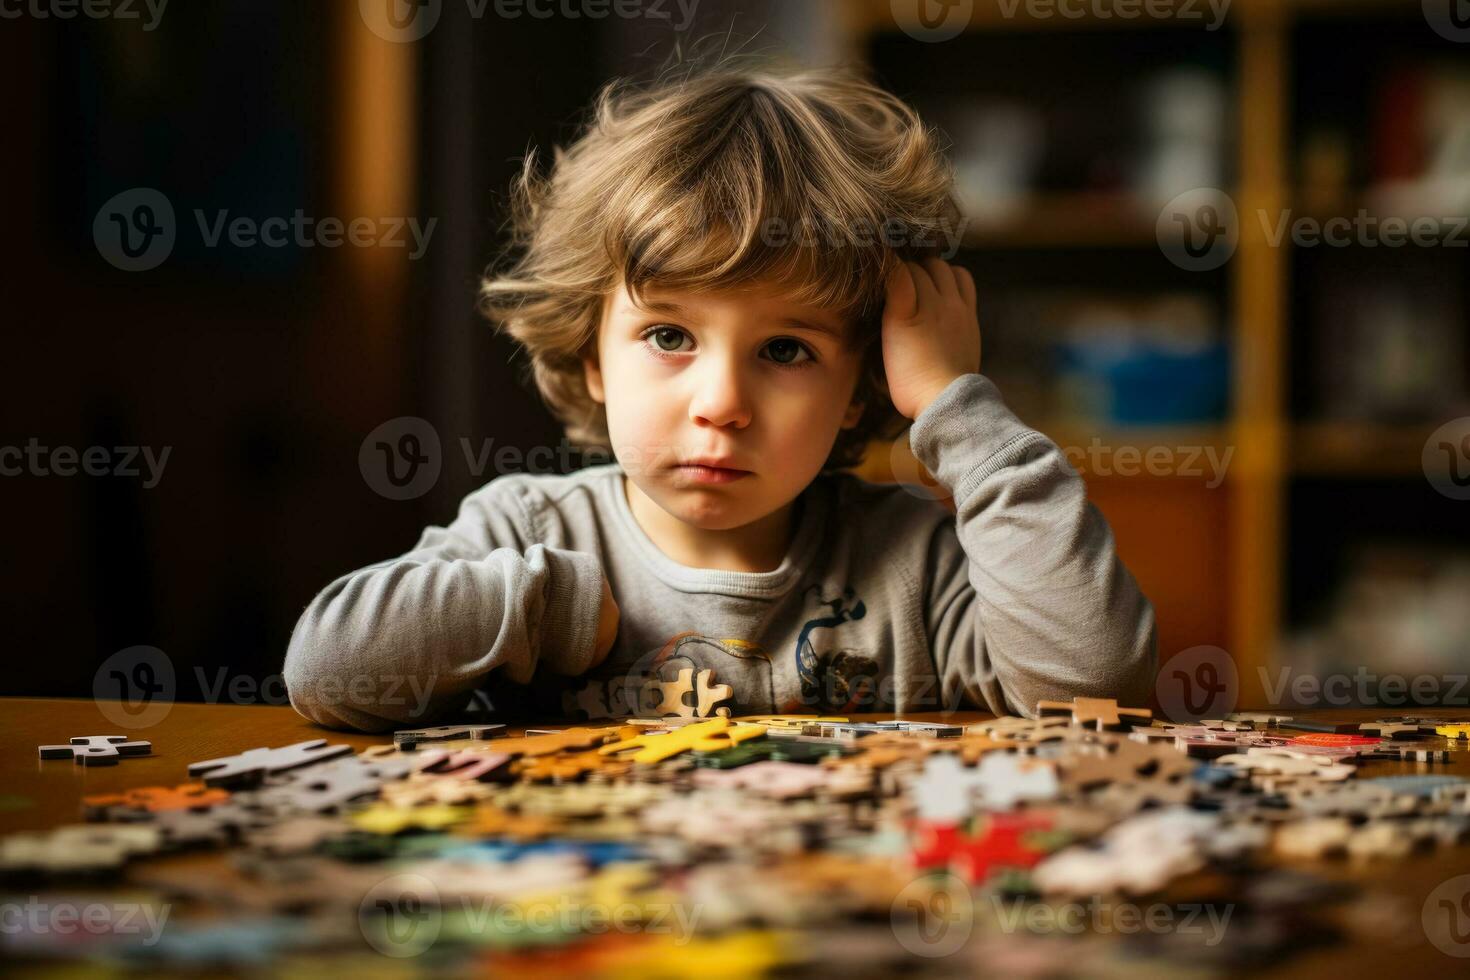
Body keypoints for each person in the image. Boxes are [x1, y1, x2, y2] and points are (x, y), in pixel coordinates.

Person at [283, 61, 1157, 732]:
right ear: (592, 356)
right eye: (669, 337)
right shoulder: (530, 532)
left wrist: (957, 408)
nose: (722, 403)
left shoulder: (916, 566)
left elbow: (1092, 681)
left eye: (786, 349)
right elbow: (328, 671)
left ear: (861, 388)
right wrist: (545, 604)